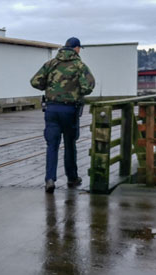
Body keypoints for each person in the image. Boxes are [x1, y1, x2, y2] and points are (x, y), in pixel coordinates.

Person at [30, 37, 95, 193]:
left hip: (51, 109)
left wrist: (51, 88)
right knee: (70, 144)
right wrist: (75, 92)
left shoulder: (51, 64)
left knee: (52, 145)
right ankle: (72, 177)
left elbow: (35, 81)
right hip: (70, 110)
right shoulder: (79, 66)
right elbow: (89, 86)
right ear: (76, 48)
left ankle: (50, 179)